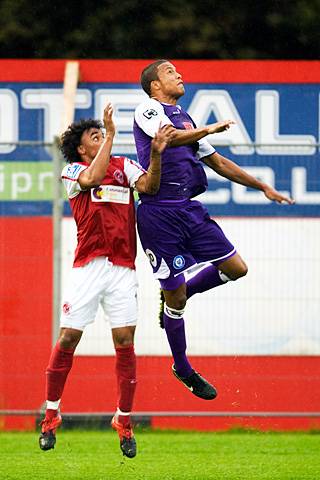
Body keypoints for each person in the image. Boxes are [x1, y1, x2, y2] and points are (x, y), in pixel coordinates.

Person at [133, 60, 294, 401]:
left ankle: (183, 294)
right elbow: (171, 139)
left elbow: (218, 163)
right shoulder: (147, 109)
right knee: (173, 295)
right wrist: (208, 129)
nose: (178, 75)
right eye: (170, 72)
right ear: (155, 86)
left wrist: (262, 185)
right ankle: (182, 367)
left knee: (236, 269)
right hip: (159, 214)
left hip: (188, 209)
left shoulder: (187, 118)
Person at [39, 103, 172, 458]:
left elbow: (151, 186)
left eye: (103, 133)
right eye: (94, 136)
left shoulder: (124, 166)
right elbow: (91, 180)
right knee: (68, 337)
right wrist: (111, 135)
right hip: (88, 267)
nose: (101, 136)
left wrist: (156, 155)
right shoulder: (73, 170)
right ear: (82, 149)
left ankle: (123, 421)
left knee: (125, 340)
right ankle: (51, 414)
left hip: (122, 268)